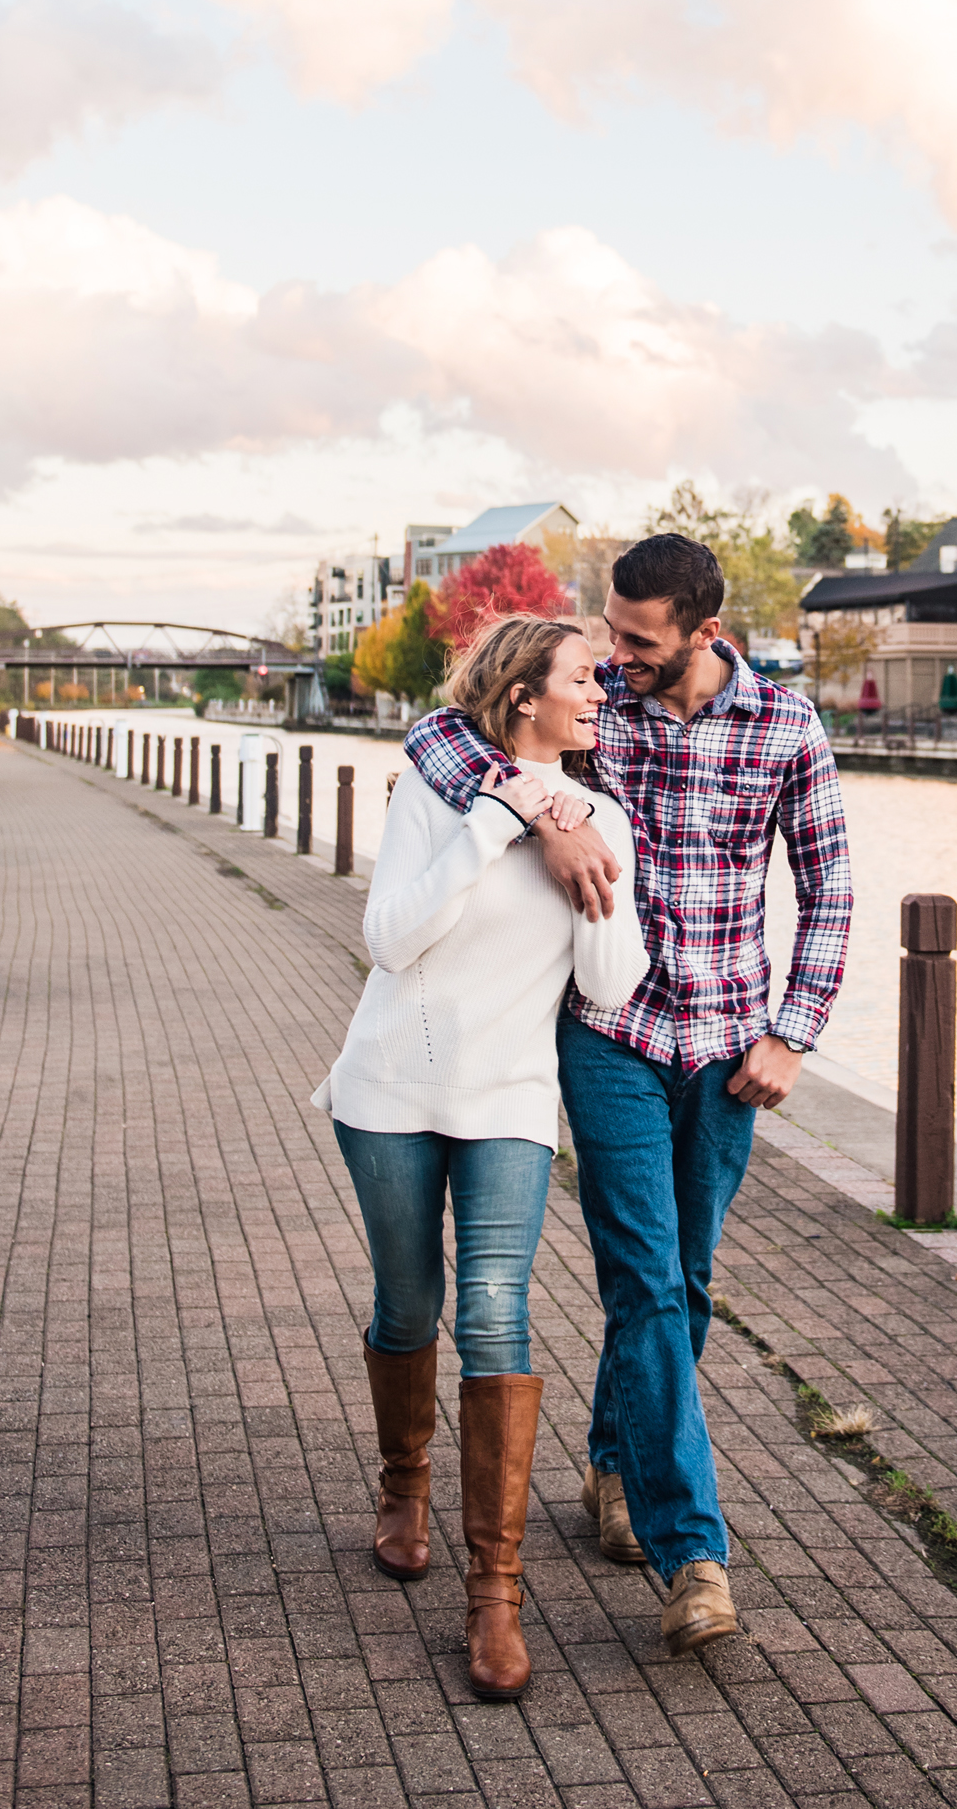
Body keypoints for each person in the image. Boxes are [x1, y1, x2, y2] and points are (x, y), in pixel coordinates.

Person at [404, 534, 853, 1654]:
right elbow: (438, 732)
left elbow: (831, 893)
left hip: (729, 1050)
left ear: (706, 631)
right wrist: (542, 812)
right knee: (645, 1281)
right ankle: (692, 1552)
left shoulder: (786, 727)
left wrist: (792, 1035)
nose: (615, 656)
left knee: (685, 1283)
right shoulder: (598, 708)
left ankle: (614, 1459)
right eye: (608, 631)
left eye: (640, 640)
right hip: (609, 1034)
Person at [311, 616, 647, 1700]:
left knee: (496, 1309)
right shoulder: (439, 792)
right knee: (408, 1304)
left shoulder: (603, 816)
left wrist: (595, 879)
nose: (599, 692)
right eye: (580, 679)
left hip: (506, 1096)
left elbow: (604, 985)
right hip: (392, 1087)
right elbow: (390, 935)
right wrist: (495, 822)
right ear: (520, 698)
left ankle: (493, 1591)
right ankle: (401, 1479)